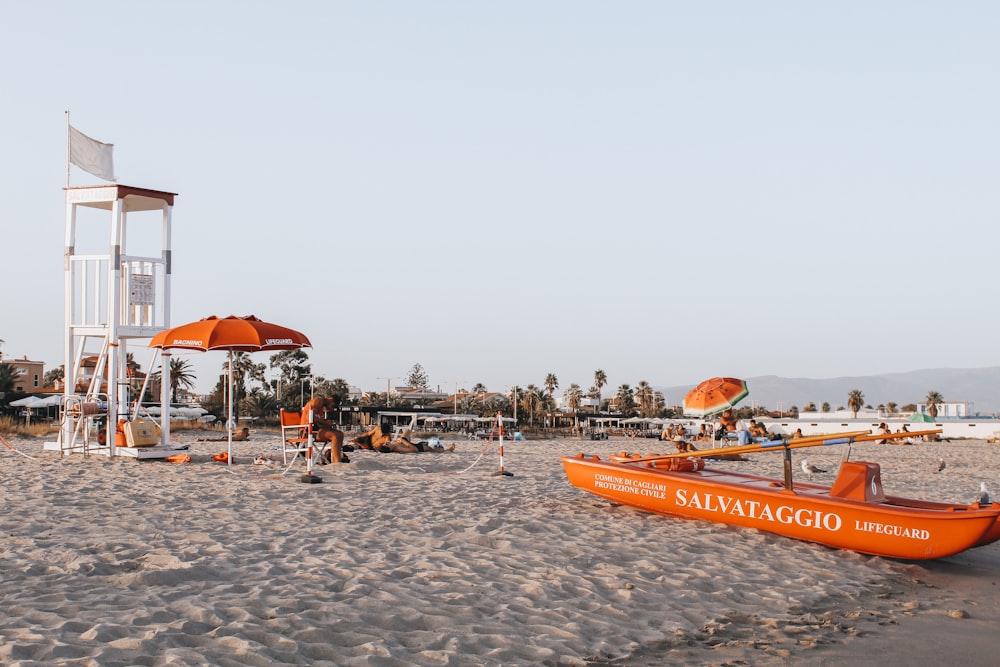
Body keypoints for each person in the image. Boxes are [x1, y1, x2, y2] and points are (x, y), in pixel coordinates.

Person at [301, 395, 347, 463]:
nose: (332, 409)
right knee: (335, 436)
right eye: (333, 406)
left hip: (314, 430)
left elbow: (317, 421)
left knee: (340, 434)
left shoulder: (321, 407)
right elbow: (309, 417)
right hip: (307, 431)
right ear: (330, 399)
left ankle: (336, 458)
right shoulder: (318, 401)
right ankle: (337, 462)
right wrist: (325, 422)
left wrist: (327, 424)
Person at [383, 429, 456, 453]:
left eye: (385, 443)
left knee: (407, 431)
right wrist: (403, 441)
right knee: (436, 449)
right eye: (386, 445)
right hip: (421, 447)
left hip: (417, 444)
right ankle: (449, 449)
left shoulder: (392, 443)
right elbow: (414, 450)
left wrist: (403, 440)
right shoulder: (398, 448)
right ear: (390, 449)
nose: (386, 442)